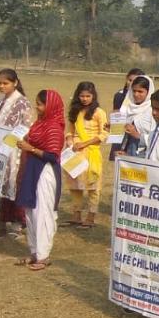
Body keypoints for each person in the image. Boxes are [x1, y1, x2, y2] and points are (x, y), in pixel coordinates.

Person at [14, 90, 65, 270]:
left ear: (50, 106)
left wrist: (30, 148)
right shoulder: (40, 123)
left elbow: (52, 155)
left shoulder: (54, 127)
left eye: (41, 104)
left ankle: (43, 256)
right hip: (32, 168)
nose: (37, 107)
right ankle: (34, 252)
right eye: (37, 103)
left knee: (42, 212)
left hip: (45, 171)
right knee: (30, 210)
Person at [0, 68, 33, 236]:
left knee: (13, 183)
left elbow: (27, 126)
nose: (1, 86)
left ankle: (18, 221)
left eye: (5, 83)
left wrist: (12, 139)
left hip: (15, 150)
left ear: (15, 83)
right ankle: (1, 220)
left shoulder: (22, 102)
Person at [64, 82, 108, 229]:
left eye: (88, 96)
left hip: (91, 152)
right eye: (82, 96)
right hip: (75, 152)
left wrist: (85, 143)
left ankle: (91, 217)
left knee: (93, 186)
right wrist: (70, 141)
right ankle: (76, 215)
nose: (84, 99)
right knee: (75, 185)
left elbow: (103, 134)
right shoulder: (75, 111)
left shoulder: (99, 113)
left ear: (93, 96)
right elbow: (70, 131)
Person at [119, 75, 154, 159]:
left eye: (140, 91)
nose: (136, 94)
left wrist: (138, 135)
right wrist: (114, 127)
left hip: (144, 156)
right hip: (128, 153)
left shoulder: (153, 110)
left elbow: (157, 137)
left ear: (148, 92)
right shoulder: (128, 108)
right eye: (134, 91)